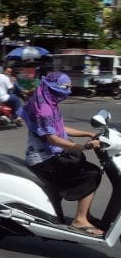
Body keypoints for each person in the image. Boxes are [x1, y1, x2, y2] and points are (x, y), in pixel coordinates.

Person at [17, 71, 103, 235]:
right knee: (91, 173)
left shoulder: (49, 101)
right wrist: (82, 147)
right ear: (53, 87)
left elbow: (61, 129)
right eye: (65, 88)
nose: (68, 92)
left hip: (48, 155)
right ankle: (79, 220)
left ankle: (85, 214)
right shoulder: (44, 109)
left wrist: (89, 133)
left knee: (84, 166)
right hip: (43, 160)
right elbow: (54, 139)